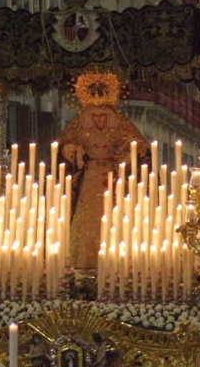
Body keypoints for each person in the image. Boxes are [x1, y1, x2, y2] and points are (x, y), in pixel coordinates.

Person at [58, 73, 149, 271]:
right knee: (88, 217)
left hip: (112, 174)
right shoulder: (79, 124)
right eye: (95, 116)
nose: (99, 120)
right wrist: (75, 152)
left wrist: (126, 153)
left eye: (103, 116)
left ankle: (116, 259)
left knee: (114, 212)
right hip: (90, 175)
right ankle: (84, 260)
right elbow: (64, 145)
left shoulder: (121, 124)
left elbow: (139, 145)